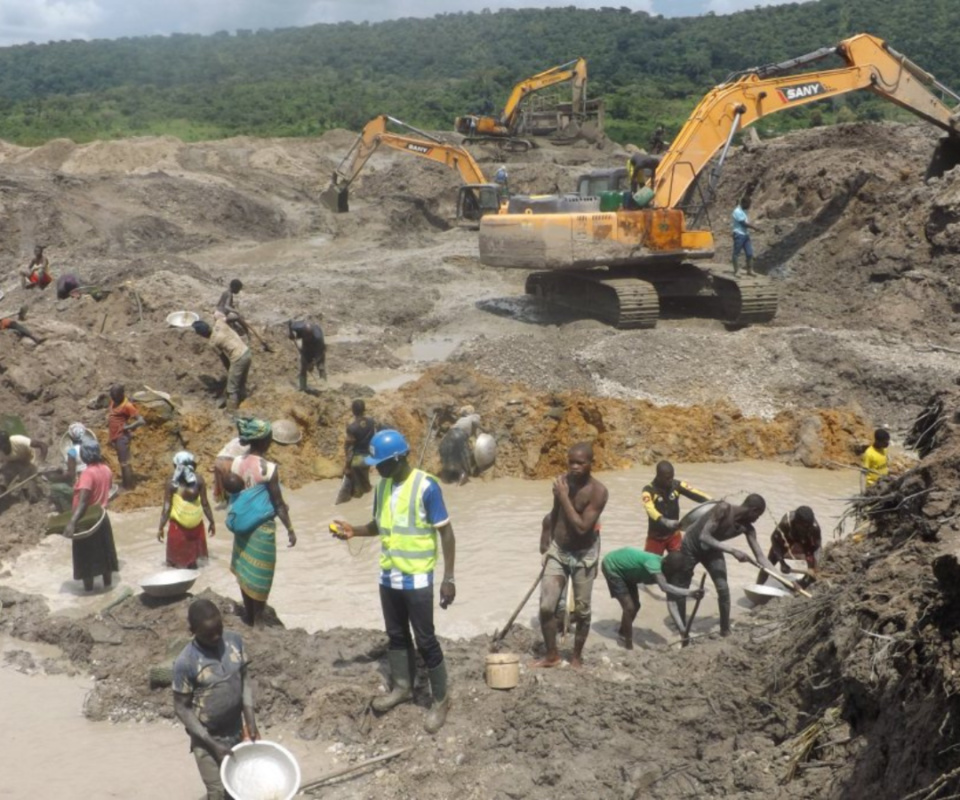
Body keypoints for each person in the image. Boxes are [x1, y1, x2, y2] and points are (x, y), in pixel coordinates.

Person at [331, 429, 457, 733]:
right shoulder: (383, 487)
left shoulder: (427, 487)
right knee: (396, 635)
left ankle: (440, 699)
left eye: (381, 463)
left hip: (417, 579)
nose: (376, 468)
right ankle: (402, 688)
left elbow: (446, 532)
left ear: (399, 458)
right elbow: (380, 525)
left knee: (425, 640)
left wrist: (449, 578)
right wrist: (354, 531)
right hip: (388, 575)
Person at [173, 598, 259, 800]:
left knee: (241, 787)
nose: (216, 636)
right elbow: (181, 708)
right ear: (192, 630)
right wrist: (211, 744)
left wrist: (251, 722)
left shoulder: (234, 641)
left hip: (237, 732)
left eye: (219, 629)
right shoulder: (186, 662)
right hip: (206, 739)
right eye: (208, 634)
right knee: (218, 793)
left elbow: (245, 680)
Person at [534, 442, 608, 669]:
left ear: (590, 464)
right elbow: (554, 512)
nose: (574, 467)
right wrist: (546, 535)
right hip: (559, 551)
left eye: (580, 463)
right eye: (571, 462)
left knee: (583, 612)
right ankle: (552, 655)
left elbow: (582, 527)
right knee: (547, 607)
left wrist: (564, 496)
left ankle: (576, 656)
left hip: (584, 555)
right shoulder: (562, 482)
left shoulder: (598, 492)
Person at [217, 418, 296, 628]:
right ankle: (259, 621)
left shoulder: (235, 463)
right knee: (261, 574)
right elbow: (278, 504)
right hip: (262, 528)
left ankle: (250, 616)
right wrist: (290, 529)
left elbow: (233, 493)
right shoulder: (268, 468)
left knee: (245, 571)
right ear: (265, 441)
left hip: (242, 525)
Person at [672, 494, 786, 640]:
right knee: (683, 587)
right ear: (753, 509)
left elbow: (761, 558)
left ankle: (725, 631)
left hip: (712, 550)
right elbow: (704, 536)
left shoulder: (748, 529)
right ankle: (681, 628)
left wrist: (783, 579)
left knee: (723, 589)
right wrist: (733, 551)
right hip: (691, 547)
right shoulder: (723, 508)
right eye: (758, 515)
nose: (757, 519)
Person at [601, 548, 704, 649]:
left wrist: (682, 629)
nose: (670, 574)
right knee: (629, 608)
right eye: (670, 571)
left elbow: (671, 602)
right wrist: (689, 593)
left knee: (635, 606)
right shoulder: (654, 563)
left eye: (674, 572)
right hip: (613, 566)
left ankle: (622, 633)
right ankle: (628, 646)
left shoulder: (669, 570)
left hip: (628, 573)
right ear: (664, 563)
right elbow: (664, 587)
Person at [63, 439, 119, 592]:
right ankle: (108, 589)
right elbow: (108, 491)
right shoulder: (106, 469)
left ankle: (89, 592)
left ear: (85, 455)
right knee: (105, 555)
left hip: (86, 520)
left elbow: (83, 502)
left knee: (86, 558)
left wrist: (72, 522)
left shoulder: (88, 474)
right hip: (102, 517)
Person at [158, 452, 216, 569]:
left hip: (178, 527)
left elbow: (167, 508)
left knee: (174, 564)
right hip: (196, 525)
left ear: (175, 466)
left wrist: (160, 527)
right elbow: (205, 504)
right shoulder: (199, 480)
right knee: (193, 563)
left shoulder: (171, 483)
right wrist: (212, 522)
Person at [641, 461, 710, 555]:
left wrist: (712, 501)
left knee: (681, 562)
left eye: (672, 477)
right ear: (659, 476)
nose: (670, 480)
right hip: (655, 537)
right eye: (667, 478)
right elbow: (649, 509)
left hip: (674, 535)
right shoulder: (648, 490)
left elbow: (696, 493)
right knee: (650, 565)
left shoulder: (677, 485)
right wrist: (664, 521)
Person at [193, 316, 252, 412]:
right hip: (246, 352)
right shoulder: (219, 323)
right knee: (241, 381)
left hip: (238, 359)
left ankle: (232, 413)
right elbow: (234, 317)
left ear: (201, 335)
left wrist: (230, 370)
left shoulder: (213, 343)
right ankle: (245, 401)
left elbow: (224, 359)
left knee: (231, 389)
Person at [758, 506, 821, 588]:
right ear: (796, 522)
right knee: (769, 563)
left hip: (807, 541)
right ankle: (758, 587)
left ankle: (800, 587)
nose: (807, 529)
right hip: (789, 537)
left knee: (812, 572)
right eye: (804, 527)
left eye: (808, 526)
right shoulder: (786, 522)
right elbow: (774, 539)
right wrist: (782, 563)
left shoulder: (814, 528)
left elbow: (814, 549)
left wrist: (811, 567)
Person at [47, 422, 96, 512]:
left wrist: (55, 477)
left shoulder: (72, 452)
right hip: (94, 484)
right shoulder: (92, 447)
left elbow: (71, 475)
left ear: (70, 437)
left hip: (83, 488)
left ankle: (69, 511)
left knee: (55, 487)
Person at [107, 384, 145, 490]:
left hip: (122, 437)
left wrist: (128, 427)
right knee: (122, 462)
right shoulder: (113, 402)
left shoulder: (127, 406)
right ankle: (126, 484)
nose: (113, 398)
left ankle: (128, 487)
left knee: (125, 463)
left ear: (121, 394)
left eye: (115, 396)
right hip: (115, 436)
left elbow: (141, 421)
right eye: (112, 396)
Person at [340, 398, 375, 502]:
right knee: (366, 484)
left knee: (357, 493)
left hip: (357, 461)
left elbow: (350, 449)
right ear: (364, 409)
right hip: (368, 458)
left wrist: (347, 467)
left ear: (353, 410)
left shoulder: (352, 428)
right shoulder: (371, 422)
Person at [437, 406, 482, 486]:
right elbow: (475, 422)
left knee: (448, 461)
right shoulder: (473, 417)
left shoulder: (460, 420)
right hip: (459, 436)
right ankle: (463, 475)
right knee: (463, 457)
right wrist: (484, 429)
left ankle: (447, 480)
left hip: (447, 437)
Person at [288, 318, 326, 392]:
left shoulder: (318, 337)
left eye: (309, 337)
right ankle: (303, 387)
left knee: (321, 366)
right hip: (306, 348)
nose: (307, 338)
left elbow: (320, 353)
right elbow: (290, 325)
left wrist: (313, 363)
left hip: (317, 349)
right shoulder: (299, 328)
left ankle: (324, 385)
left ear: (312, 335)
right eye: (305, 336)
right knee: (303, 366)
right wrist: (291, 333)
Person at [212, 436, 250, 508]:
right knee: (231, 483)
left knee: (221, 483)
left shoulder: (236, 439)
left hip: (218, 460)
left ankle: (223, 500)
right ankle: (232, 501)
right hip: (228, 462)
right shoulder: (248, 446)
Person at [732, 197, 762, 276]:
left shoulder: (743, 210)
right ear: (743, 203)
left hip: (745, 234)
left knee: (749, 253)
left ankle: (750, 270)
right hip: (739, 234)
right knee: (736, 253)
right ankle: (736, 271)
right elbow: (743, 223)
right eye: (748, 205)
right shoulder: (737, 211)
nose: (749, 207)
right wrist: (755, 228)